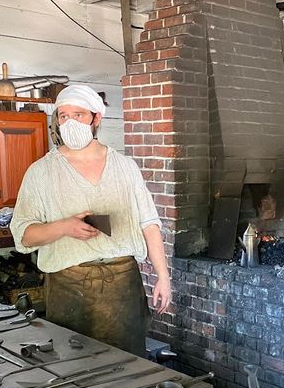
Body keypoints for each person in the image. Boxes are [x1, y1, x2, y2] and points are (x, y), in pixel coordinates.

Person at [10, 85, 170, 356]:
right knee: (75, 371)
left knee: (128, 369)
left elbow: (149, 223)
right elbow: (23, 236)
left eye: (79, 115)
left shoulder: (125, 167)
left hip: (122, 287)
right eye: (63, 116)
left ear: (96, 119)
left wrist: (163, 277)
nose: (70, 122)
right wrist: (64, 227)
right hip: (69, 288)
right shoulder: (42, 172)